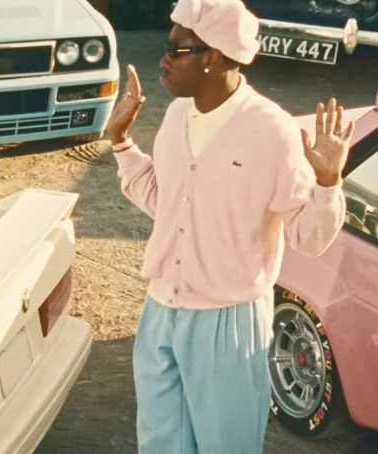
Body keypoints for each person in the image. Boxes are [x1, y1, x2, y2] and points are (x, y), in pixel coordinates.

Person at [106, 0, 355, 452]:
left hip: (228, 320)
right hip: (160, 309)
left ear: (213, 56)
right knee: (160, 444)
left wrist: (327, 181)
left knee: (227, 445)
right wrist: (122, 144)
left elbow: (309, 238)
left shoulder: (271, 130)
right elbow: (168, 206)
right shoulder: (178, 115)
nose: (161, 60)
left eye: (175, 49)